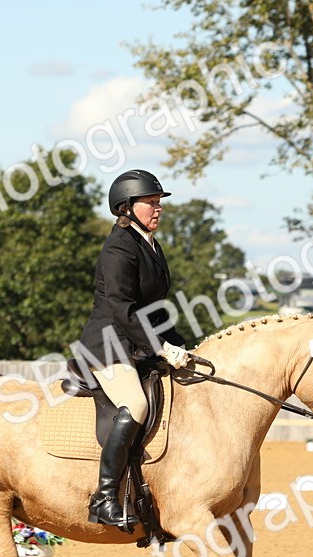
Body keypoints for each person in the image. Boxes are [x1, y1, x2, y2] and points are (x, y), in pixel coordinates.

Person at [77, 169, 191, 529]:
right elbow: (122, 308)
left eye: (159, 203)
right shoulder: (118, 248)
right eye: (151, 203)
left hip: (136, 343)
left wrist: (183, 347)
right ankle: (105, 498)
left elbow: (155, 308)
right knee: (137, 404)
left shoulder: (150, 246)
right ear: (127, 207)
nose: (159, 209)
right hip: (108, 346)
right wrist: (159, 346)